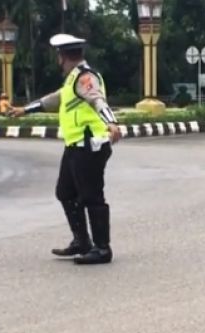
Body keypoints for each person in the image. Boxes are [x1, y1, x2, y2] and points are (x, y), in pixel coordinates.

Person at [9, 33, 122, 265]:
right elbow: (55, 99)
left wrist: (112, 122)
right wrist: (25, 110)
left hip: (90, 145)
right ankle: (82, 241)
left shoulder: (85, 77)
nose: (58, 61)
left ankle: (102, 249)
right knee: (65, 192)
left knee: (92, 195)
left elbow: (97, 99)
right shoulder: (73, 80)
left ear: (63, 56)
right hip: (75, 146)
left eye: (59, 56)